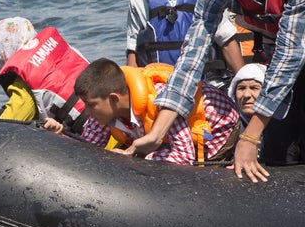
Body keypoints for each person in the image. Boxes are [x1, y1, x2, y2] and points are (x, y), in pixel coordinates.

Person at [129, 0, 305, 182]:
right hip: (277, 60)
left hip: (291, 55)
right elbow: (192, 55)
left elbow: (290, 55)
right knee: (278, 151)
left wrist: (250, 138)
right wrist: (157, 134)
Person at [73, 58, 239, 165]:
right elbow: (87, 149)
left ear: (114, 99)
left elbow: (184, 157)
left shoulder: (161, 101)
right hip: (168, 142)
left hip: (215, 136)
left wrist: (132, 160)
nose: (87, 111)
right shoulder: (103, 111)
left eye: (90, 105)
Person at [0, 17, 90, 133]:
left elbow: (4, 129)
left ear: (4, 52)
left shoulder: (24, 86)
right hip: (102, 126)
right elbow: (13, 109)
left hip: (92, 142)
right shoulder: (61, 56)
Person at [126, 0, 246, 87]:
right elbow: (133, 53)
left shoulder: (208, 0)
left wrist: (244, 82)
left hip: (208, 85)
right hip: (158, 87)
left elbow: (226, 41)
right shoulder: (138, 1)